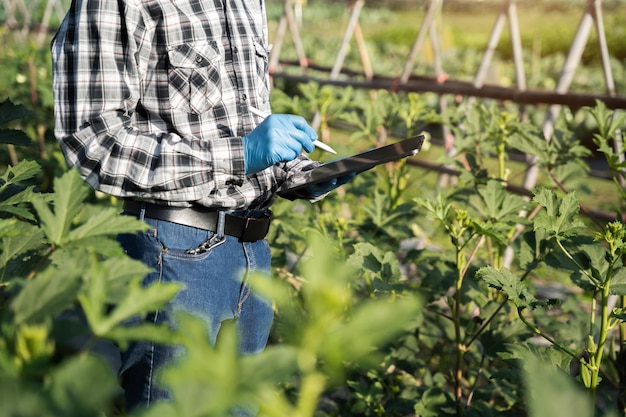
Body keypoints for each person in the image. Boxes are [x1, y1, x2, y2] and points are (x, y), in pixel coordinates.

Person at [50, 0, 354, 413]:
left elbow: (239, 121)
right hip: (175, 250)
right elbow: (94, 140)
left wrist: (298, 172)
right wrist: (242, 153)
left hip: (252, 250)